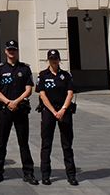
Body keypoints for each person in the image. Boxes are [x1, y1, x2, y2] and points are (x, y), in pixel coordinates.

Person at [0, 39, 37, 184]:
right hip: (5, 110)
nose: (11, 52)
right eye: (9, 49)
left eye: (14, 50)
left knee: (23, 143)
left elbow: (29, 89)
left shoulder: (24, 69)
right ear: (5, 51)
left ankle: (28, 173)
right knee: (1, 142)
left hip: (20, 110)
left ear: (17, 51)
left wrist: (16, 102)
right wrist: (7, 102)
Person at [36, 49, 78, 186]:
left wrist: (63, 110)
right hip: (49, 112)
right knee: (46, 144)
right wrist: (54, 111)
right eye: (51, 58)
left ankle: (71, 175)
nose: (54, 61)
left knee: (67, 145)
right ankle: (45, 175)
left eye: (56, 58)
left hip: (64, 112)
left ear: (59, 60)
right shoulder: (43, 75)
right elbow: (42, 94)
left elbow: (70, 93)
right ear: (48, 60)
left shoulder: (66, 75)